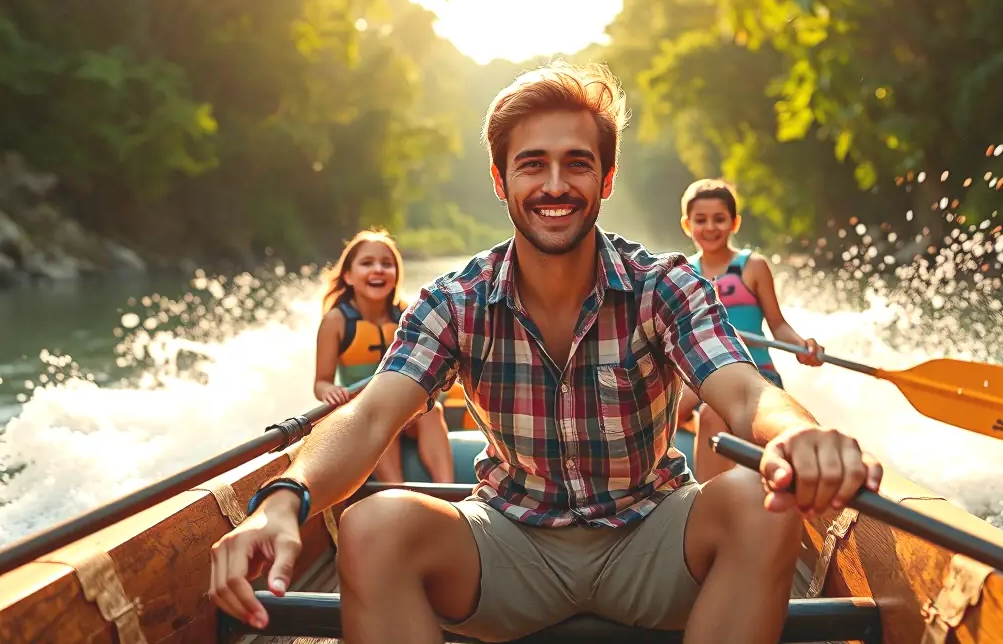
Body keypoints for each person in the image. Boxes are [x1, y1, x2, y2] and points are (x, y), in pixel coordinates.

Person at [209, 61, 882, 644]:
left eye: (576, 163)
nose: (554, 185)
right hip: (510, 543)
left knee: (755, 501)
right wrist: (283, 499)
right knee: (372, 523)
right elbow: (369, 417)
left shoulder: (666, 283)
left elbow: (743, 389)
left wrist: (799, 434)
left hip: (651, 533)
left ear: (606, 179)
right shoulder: (454, 300)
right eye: (533, 164)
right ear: (501, 181)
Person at [675, 179, 826, 482]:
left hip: (755, 376)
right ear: (687, 225)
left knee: (711, 413)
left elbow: (778, 325)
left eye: (719, 219)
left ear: (735, 222)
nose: (710, 227)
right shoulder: (681, 273)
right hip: (706, 377)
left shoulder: (752, 266)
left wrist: (801, 345)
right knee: (672, 407)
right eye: (700, 220)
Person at [312, 229, 453, 484]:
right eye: (367, 263)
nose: (378, 269)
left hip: (406, 408)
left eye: (386, 264)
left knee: (433, 411)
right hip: (363, 412)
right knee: (379, 419)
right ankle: (395, 490)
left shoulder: (409, 315)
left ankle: (450, 492)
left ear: (396, 275)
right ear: (348, 275)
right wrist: (329, 391)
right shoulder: (336, 321)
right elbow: (321, 382)